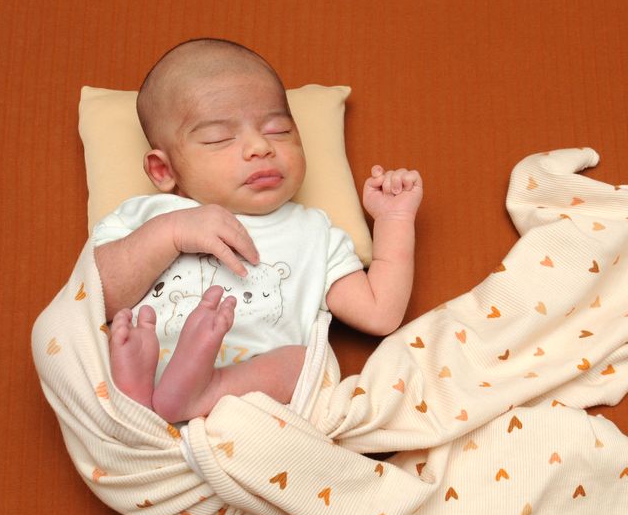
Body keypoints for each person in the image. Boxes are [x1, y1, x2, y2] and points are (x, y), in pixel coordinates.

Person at [93, 38, 422, 423]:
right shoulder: (148, 215)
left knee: (304, 364)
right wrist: (171, 232)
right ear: (163, 170)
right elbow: (98, 295)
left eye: (279, 131)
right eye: (219, 138)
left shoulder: (313, 234)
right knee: (101, 335)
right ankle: (136, 395)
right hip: (144, 369)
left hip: (246, 410)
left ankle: (203, 392)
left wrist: (394, 220)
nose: (260, 147)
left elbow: (380, 313)